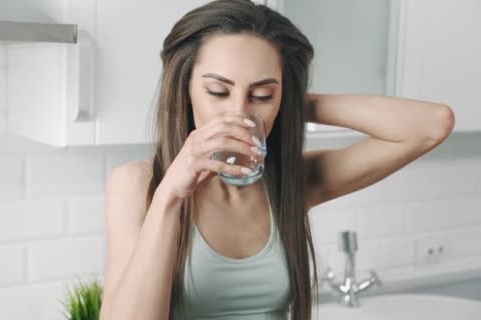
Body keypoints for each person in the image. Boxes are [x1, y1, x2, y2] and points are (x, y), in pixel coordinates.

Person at [98, 1, 455, 319]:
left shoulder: (292, 182)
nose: (239, 113)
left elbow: (431, 125)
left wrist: (296, 103)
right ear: (185, 89)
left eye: (262, 94)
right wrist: (171, 196)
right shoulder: (139, 185)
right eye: (218, 91)